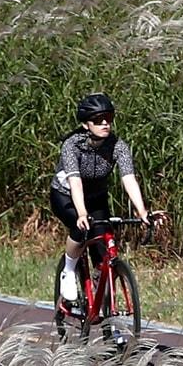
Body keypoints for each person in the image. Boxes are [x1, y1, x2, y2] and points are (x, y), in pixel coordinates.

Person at [50, 93, 162, 307]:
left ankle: (108, 318)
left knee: (104, 260)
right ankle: (69, 270)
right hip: (65, 195)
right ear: (85, 124)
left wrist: (142, 210)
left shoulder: (118, 145)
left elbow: (128, 179)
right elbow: (75, 182)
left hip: (96, 197)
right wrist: (82, 213)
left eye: (108, 118)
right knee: (80, 227)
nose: (105, 124)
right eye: (98, 120)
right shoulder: (72, 145)